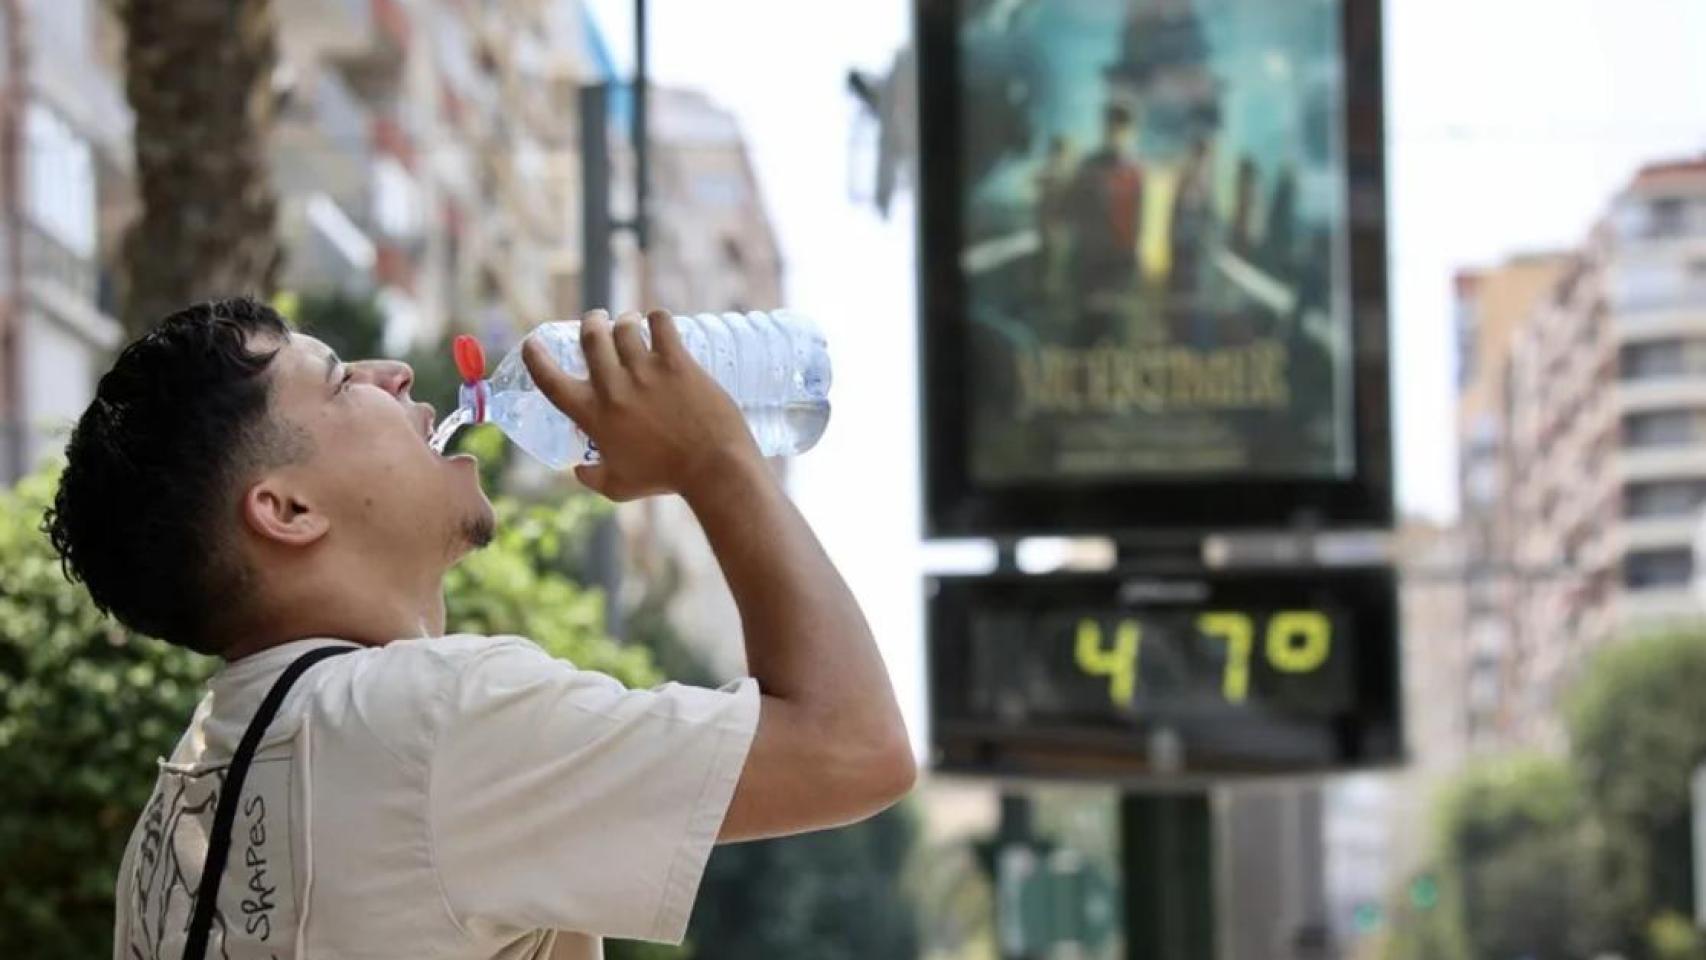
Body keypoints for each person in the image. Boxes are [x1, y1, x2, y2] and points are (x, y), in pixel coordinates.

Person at [45, 297, 915, 960]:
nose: (395, 372)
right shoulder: (429, 724)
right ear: (286, 509)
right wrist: (715, 459)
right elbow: (855, 748)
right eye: (343, 381)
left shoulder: (170, 825)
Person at [1066, 101, 1146, 346]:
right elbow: (1075, 211)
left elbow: (1138, 221)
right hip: (1091, 263)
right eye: (1112, 127)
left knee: (1119, 332)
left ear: (1131, 132)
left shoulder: (1135, 172)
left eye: (1122, 129)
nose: (1117, 135)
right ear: (1104, 129)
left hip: (1122, 263)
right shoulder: (1088, 167)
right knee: (1087, 332)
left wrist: (1133, 257)